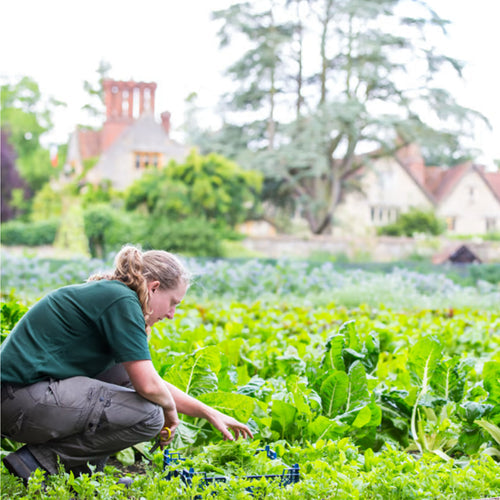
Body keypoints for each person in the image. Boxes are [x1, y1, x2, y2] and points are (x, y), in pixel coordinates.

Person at [1, 245, 253, 485]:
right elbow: (149, 386)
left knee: (122, 395)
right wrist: (169, 413)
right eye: (173, 302)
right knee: (150, 416)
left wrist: (209, 412)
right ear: (154, 288)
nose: (171, 314)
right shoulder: (121, 300)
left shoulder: (114, 297)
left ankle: (79, 477)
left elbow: (144, 381)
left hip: (19, 401)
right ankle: (37, 464)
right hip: (18, 400)